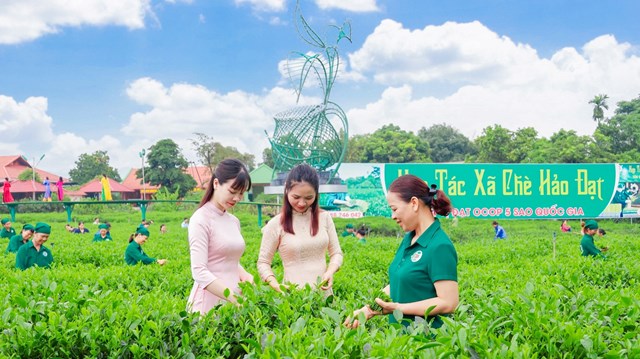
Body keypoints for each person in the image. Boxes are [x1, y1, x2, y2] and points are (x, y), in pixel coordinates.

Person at [344, 175, 458, 329]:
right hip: (401, 341)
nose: (392, 216)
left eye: (394, 209)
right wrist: (368, 310)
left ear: (414, 203)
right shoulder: (409, 239)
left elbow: (448, 302)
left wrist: (399, 308)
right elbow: (398, 282)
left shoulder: (439, 245)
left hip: (428, 343)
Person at [257, 163, 343, 294]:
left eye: (309, 198)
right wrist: (274, 284)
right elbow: (263, 262)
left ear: (316, 194)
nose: (302, 203)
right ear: (287, 190)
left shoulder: (325, 218)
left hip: (324, 294)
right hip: (294, 296)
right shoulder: (275, 224)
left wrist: (331, 271)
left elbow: (336, 253)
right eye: (296, 197)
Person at [187, 159, 254, 314]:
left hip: (234, 301)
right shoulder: (201, 219)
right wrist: (231, 296)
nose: (237, 198)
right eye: (232, 191)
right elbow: (199, 271)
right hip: (209, 303)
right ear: (216, 183)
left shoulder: (233, 221)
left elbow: (227, 260)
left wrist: (245, 275)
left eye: (241, 193)